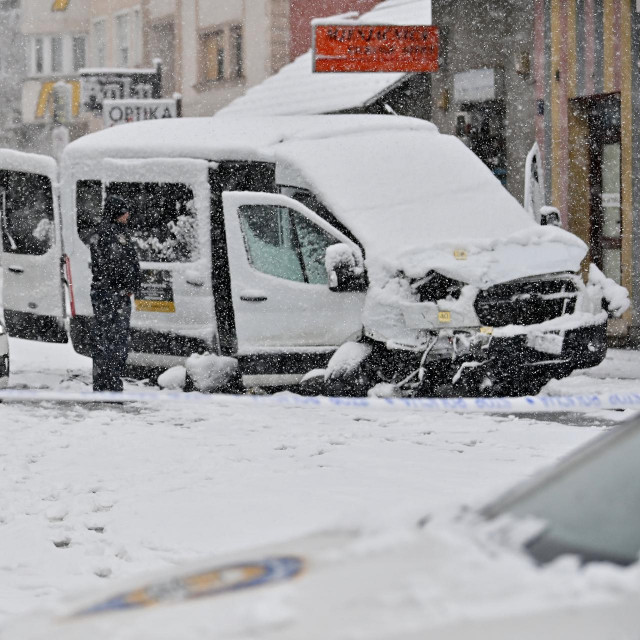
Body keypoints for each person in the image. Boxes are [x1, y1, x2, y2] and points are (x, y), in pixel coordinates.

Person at [89, 194, 141, 392]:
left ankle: (107, 384)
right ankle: (109, 385)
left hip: (111, 294)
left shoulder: (112, 233)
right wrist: (126, 287)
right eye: (125, 211)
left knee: (110, 341)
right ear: (117, 213)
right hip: (112, 296)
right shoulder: (109, 235)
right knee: (113, 341)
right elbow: (116, 265)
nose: (128, 215)